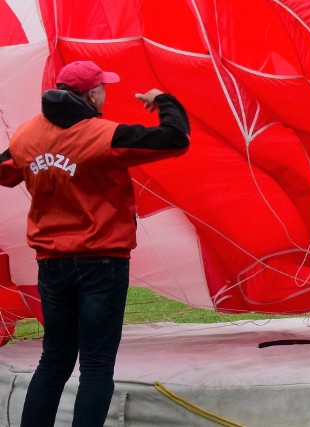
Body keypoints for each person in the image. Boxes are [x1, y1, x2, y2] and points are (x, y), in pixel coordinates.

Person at [0, 60, 190, 426]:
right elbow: (176, 137)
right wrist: (162, 99)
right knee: (97, 365)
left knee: (54, 360)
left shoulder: (25, 136)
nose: (105, 93)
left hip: (52, 265)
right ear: (91, 94)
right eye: (104, 88)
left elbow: (5, 171)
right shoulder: (104, 135)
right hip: (101, 263)